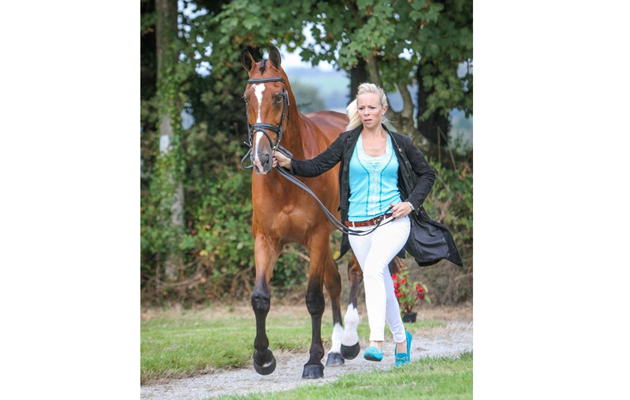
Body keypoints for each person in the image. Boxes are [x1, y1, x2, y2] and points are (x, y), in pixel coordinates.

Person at [273, 83, 436, 367]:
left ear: (383, 109)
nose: (367, 112)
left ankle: (375, 341)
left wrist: (410, 204)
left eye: (372, 107)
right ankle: (401, 339)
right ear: (357, 111)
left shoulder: (400, 143)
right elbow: (317, 166)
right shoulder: (347, 141)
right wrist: (290, 163)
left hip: (393, 221)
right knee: (382, 283)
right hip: (358, 227)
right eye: (362, 107)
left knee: (372, 270)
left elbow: (427, 175)